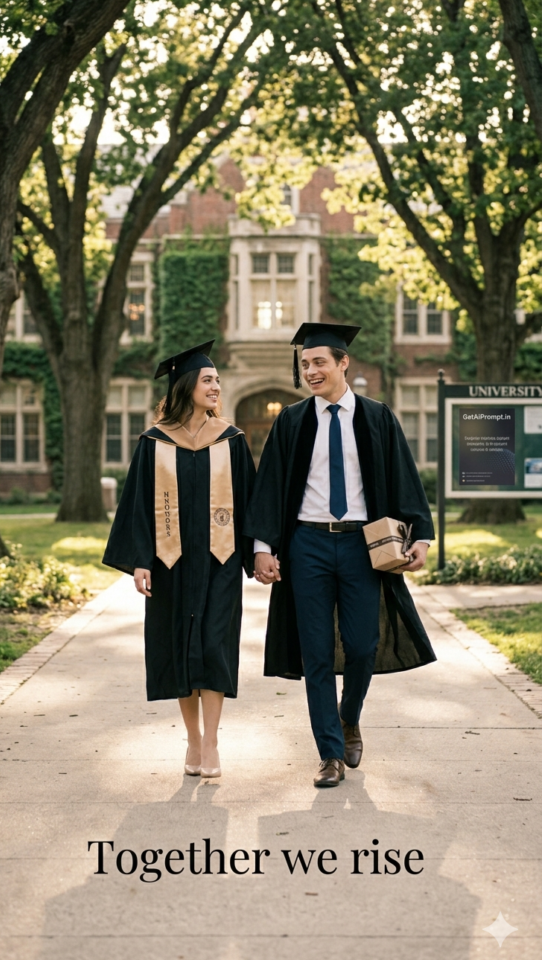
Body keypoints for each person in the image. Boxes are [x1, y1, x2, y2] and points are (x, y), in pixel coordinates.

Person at [244, 322, 436, 788]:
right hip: (306, 544)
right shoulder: (291, 421)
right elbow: (269, 486)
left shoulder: (376, 417)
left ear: (343, 363)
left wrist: (422, 537)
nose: (310, 371)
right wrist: (263, 548)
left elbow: (403, 477)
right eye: (305, 364)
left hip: (361, 545)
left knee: (363, 644)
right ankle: (329, 751)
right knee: (314, 651)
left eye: (319, 363)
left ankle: (349, 718)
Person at [103, 341, 256, 779]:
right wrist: (139, 560)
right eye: (208, 380)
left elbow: (250, 503)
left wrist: (260, 552)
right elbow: (135, 506)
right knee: (180, 649)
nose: (216, 387)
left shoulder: (232, 440)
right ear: (187, 385)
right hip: (170, 564)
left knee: (213, 646)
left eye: (218, 381)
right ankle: (191, 738)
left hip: (219, 562)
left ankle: (212, 742)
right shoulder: (154, 443)